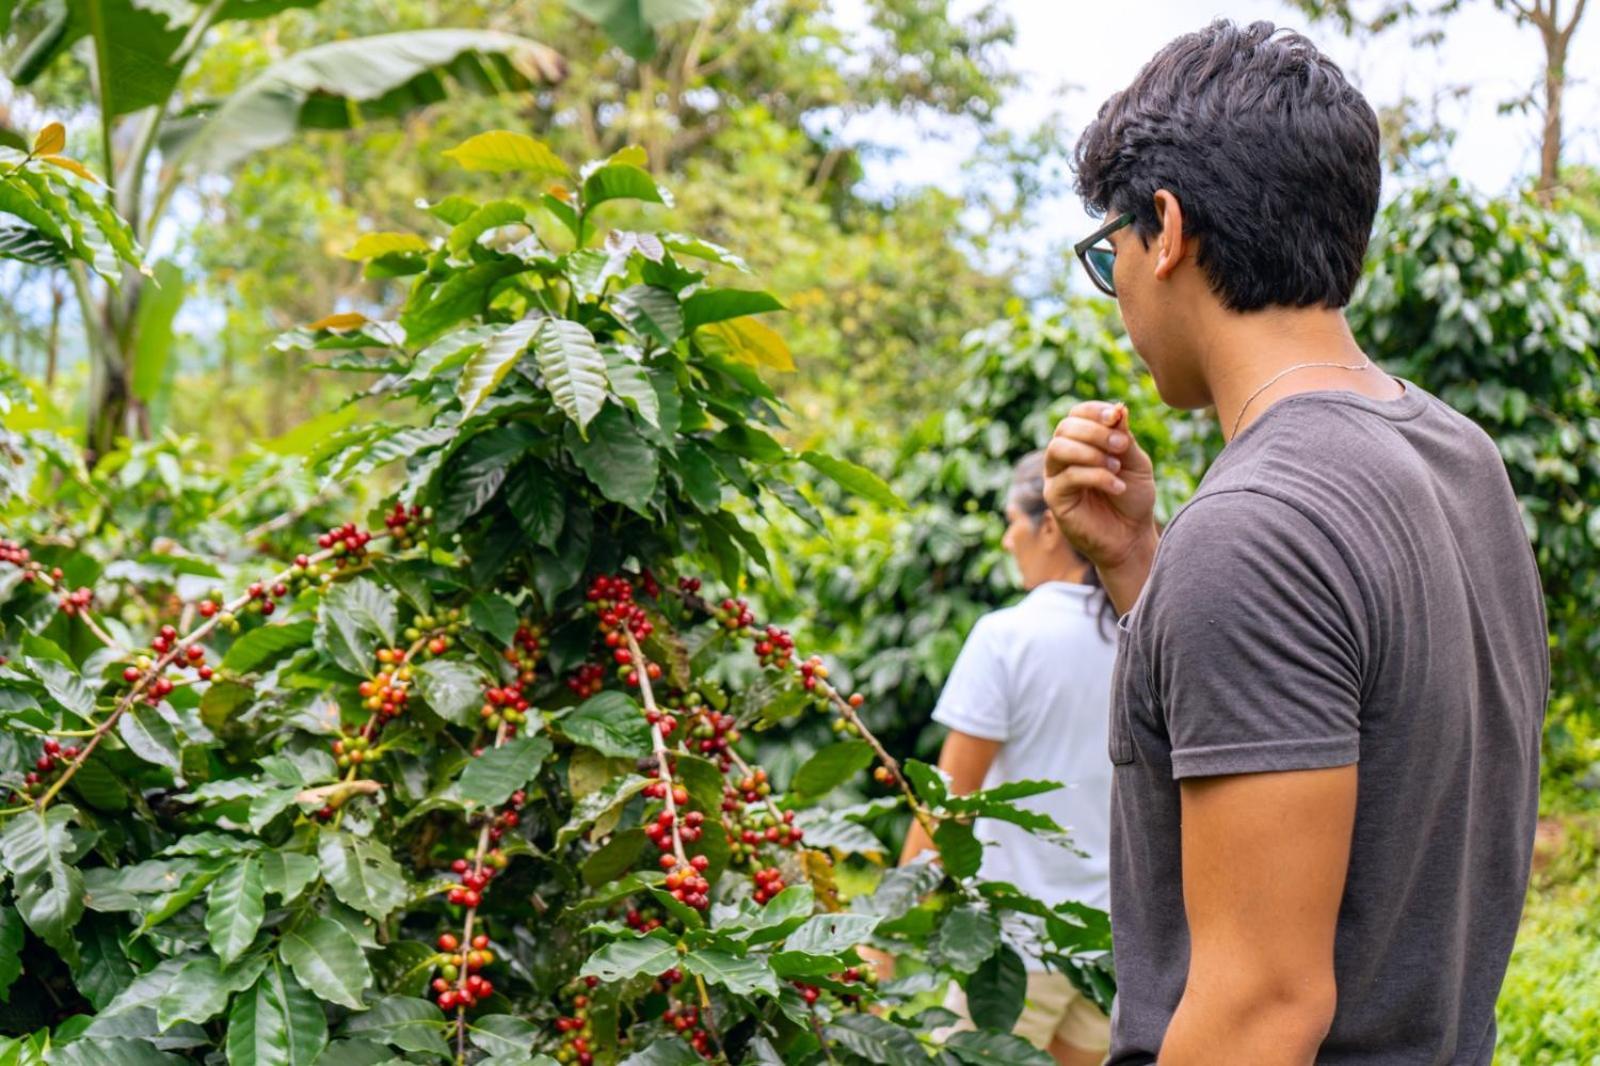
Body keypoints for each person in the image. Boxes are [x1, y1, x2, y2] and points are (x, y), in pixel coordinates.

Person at [1045, 20, 1547, 1066]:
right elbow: (1359, 734)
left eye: (1111, 251)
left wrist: (1197, 554)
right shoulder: (1460, 458)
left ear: (1167, 229)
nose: (1119, 290)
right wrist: (1143, 566)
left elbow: (1260, 1009)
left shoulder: (1254, 532)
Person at [896, 450, 1118, 1066]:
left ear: (1051, 525)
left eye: (1011, 520)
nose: (1005, 537)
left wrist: (882, 929)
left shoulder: (1006, 637)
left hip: (1017, 949)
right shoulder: (1139, 634)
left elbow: (947, 803)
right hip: (1112, 948)